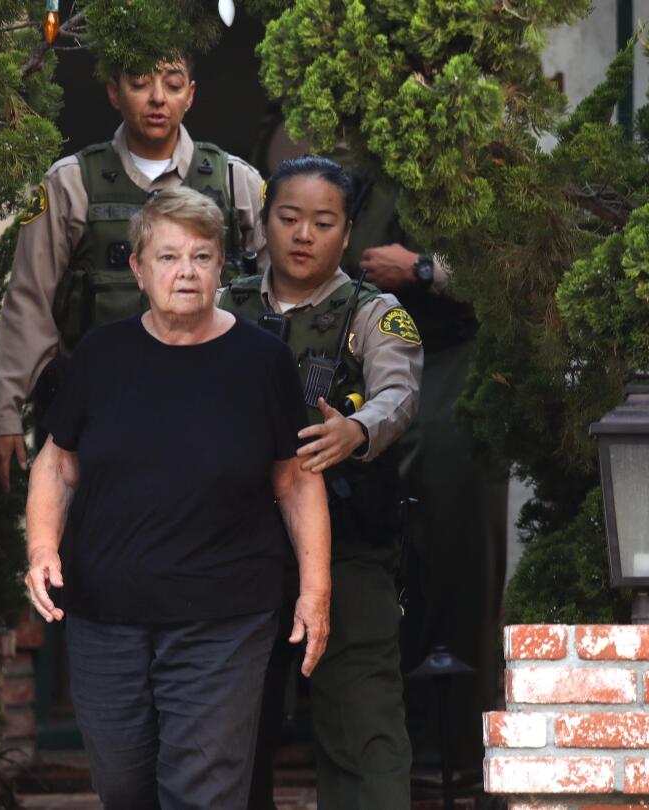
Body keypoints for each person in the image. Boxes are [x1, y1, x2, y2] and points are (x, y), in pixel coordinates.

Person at [23, 187, 330, 809]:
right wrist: (41, 546)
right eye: (167, 257)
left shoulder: (262, 361)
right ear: (138, 269)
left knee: (202, 790)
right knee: (124, 786)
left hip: (224, 619)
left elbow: (296, 479)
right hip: (106, 617)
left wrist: (315, 593)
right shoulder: (101, 357)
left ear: (221, 267)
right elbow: (57, 462)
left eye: (201, 257)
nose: (185, 272)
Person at [219, 157, 423, 810]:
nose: (304, 234)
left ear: (347, 232)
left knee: (363, 731)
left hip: (348, 550)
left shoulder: (372, 312)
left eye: (323, 221)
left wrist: (356, 431)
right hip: (237, 548)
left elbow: (399, 392)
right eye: (289, 218)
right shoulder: (224, 304)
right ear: (265, 223)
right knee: (228, 736)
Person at [0, 55, 266, 489]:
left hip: (211, 412)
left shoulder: (233, 181)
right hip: (96, 416)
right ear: (114, 91)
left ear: (190, 95)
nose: (157, 98)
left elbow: (275, 295)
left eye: (172, 85)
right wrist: (4, 412)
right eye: (140, 83)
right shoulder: (72, 183)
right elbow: (29, 302)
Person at [342, 166, 509, 778]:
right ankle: (384, 750)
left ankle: (452, 751)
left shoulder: (475, 158)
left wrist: (419, 268)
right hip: (368, 373)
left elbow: (508, 268)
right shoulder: (360, 169)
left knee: (456, 558)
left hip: (454, 368)